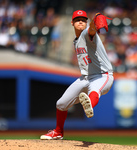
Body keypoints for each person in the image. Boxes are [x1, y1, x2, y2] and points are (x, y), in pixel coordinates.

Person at [40, 10, 114, 140]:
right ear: (72, 22)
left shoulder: (87, 34)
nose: (81, 21)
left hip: (102, 75)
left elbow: (92, 29)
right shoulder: (76, 40)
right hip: (86, 78)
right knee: (61, 104)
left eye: (83, 20)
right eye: (77, 19)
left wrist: (94, 22)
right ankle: (58, 132)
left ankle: (89, 105)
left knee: (94, 90)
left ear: (86, 23)